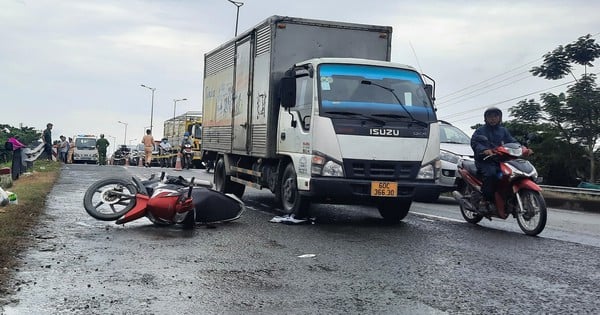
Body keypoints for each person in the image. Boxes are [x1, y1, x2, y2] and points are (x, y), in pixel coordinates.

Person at [471, 107, 519, 211]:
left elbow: (512, 142)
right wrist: (484, 150)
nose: (493, 119)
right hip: (485, 160)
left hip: (501, 160)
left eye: (495, 116)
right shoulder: (480, 131)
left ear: (500, 118)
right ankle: (485, 199)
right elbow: (475, 143)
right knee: (491, 174)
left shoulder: (503, 131)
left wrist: (523, 148)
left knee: (512, 174)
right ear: (486, 118)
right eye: (490, 116)